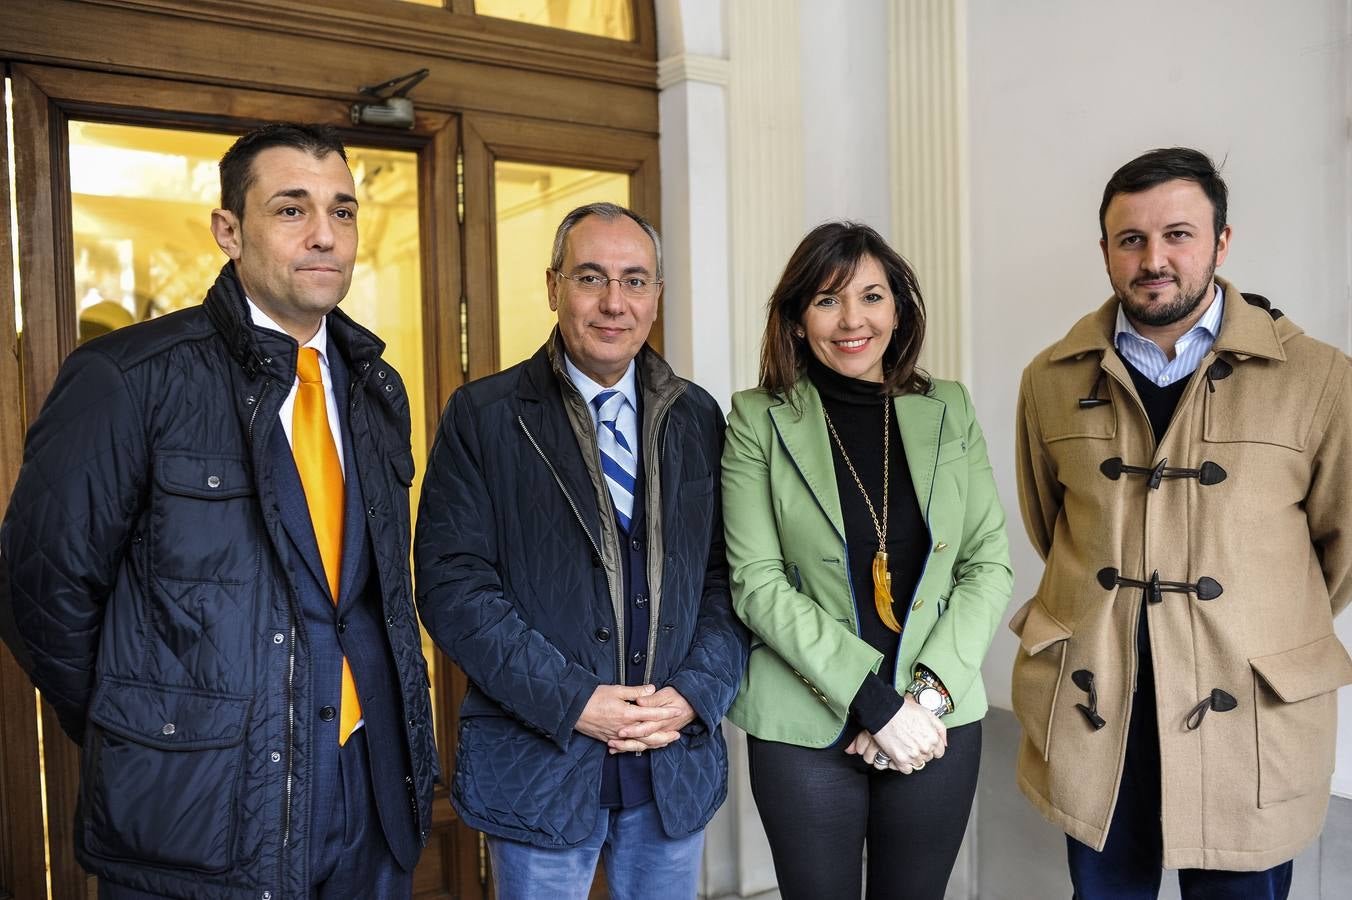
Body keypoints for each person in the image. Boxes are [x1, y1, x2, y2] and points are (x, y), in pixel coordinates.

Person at [0, 123, 439, 899]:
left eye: (342, 212)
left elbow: (372, 596)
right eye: (291, 209)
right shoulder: (128, 377)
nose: (324, 236)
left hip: (371, 790)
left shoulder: (376, 386)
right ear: (228, 231)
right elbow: (42, 595)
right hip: (206, 801)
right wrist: (154, 731)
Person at [1012, 147, 1352, 900]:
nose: (1154, 259)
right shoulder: (1050, 379)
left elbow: (1340, 549)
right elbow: (1052, 525)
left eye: (1178, 235)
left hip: (1244, 709)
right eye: (1130, 239)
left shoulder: (1321, 379)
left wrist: (1250, 612)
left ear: (1221, 242)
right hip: (1103, 705)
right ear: (1105, 250)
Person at [414, 201, 747, 900]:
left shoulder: (697, 417)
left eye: (634, 281)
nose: (613, 303)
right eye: (591, 277)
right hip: (541, 757)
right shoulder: (484, 416)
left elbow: (727, 576)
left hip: (668, 758)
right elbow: (452, 585)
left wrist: (693, 695)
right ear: (553, 286)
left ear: (657, 297)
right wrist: (573, 700)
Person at [721, 221, 1013, 900]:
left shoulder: (949, 408)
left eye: (872, 296)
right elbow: (756, 585)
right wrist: (876, 704)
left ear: (899, 309)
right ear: (796, 320)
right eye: (826, 300)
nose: (852, 320)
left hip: (934, 713)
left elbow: (986, 563)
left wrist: (923, 699)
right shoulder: (756, 420)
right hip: (806, 722)